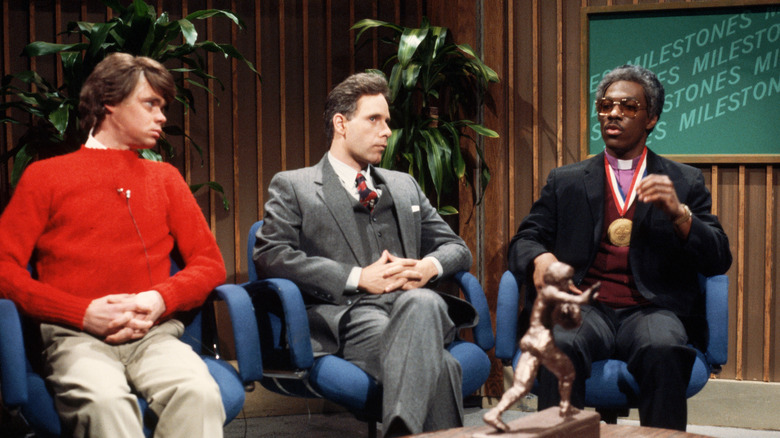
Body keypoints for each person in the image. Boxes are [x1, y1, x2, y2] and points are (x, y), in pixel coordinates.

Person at [0, 53, 227, 437]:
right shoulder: (45, 176)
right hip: (75, 336)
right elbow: (4, 268)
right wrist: (82, 312)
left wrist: (160, 299)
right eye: (150, 104)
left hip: (152, 333)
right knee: (106, 404)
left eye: (163, 107)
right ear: (110, 103)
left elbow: (209, 264)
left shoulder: (165, 178)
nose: (162, 117)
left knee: (199, 392)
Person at [507, 64, 731, 431]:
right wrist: (541, 258)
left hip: (651, 309)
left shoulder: (684, 181)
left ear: (651, 118)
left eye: (628, 106)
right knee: (558, 344)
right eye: (606, 105)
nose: (613, 113)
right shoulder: (566, 181)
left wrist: (680, 214)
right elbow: (525, 239)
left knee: (664, 347)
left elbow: (718, 258)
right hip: (584, 305)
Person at [254, 72, 478, 437]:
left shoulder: (404, 185)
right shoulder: (294, 185)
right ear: (341, 124)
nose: (387, 131)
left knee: (422, 304)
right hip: (350, 317)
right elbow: (271, 254)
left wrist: (427, 267)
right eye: (374, 119)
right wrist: (358, 277)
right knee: (442, 365)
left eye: (387, 121)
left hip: (412, 304)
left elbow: (457, 248)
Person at [483, 262, 599, 431]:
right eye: (566, 280)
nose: (569, 283)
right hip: (542, 343)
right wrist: (592, 291)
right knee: (567, 372)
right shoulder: (552, 292)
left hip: (531, 341)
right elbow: (579, 299)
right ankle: (563, 409)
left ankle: (495, 412)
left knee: (522, 386)